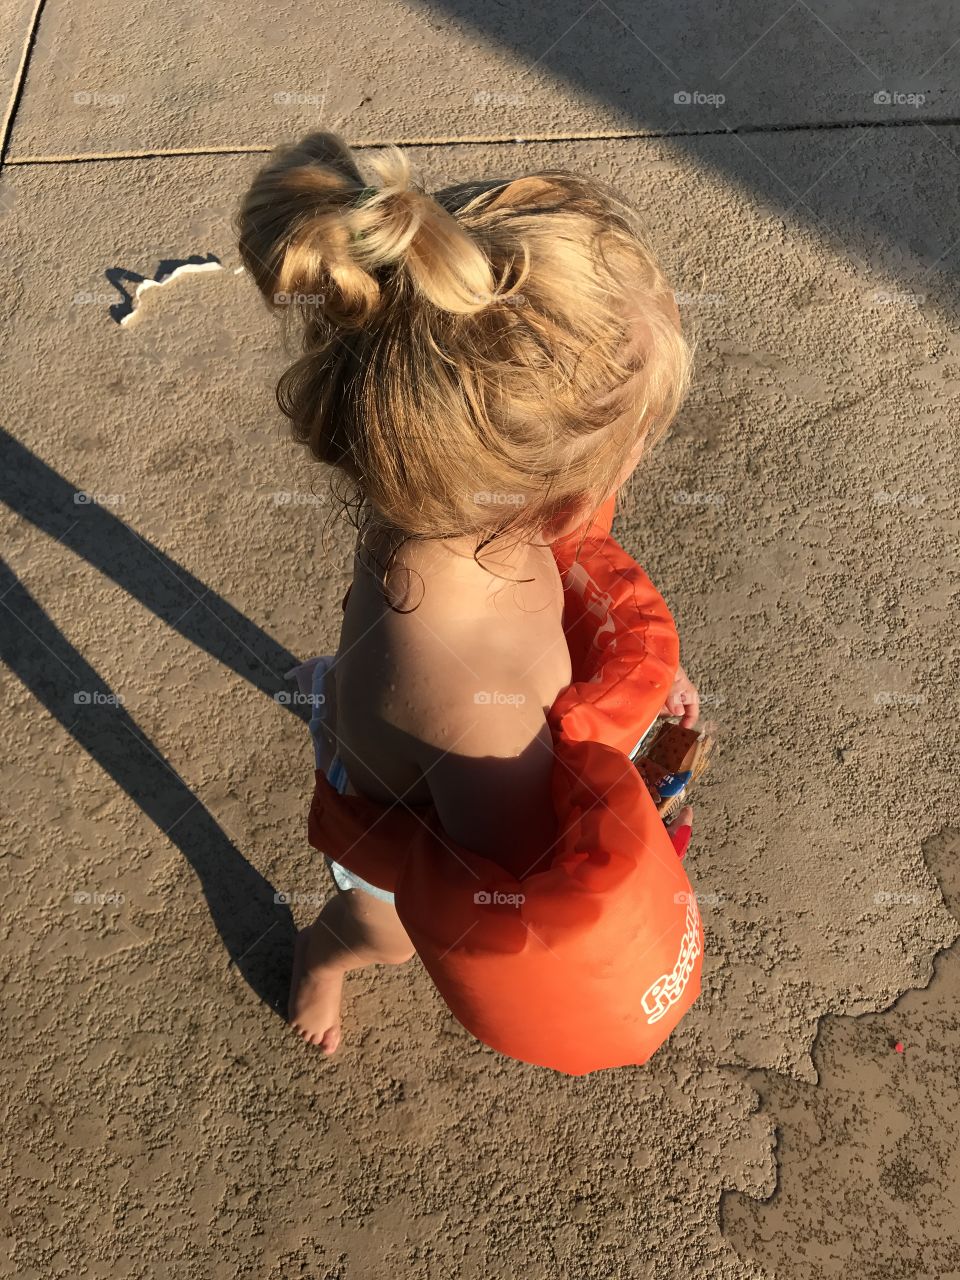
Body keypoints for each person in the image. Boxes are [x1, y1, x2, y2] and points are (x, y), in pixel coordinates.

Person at [236, 132, 700, 1054]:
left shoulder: (425, 509)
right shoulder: (480, 715)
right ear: (558, 488)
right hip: (395, 821)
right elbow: (518, 864)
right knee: (384, 933)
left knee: (361, 690)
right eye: (637, 443)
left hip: (392, 710)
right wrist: (654, 768)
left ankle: (335, 697)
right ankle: (320, 956)